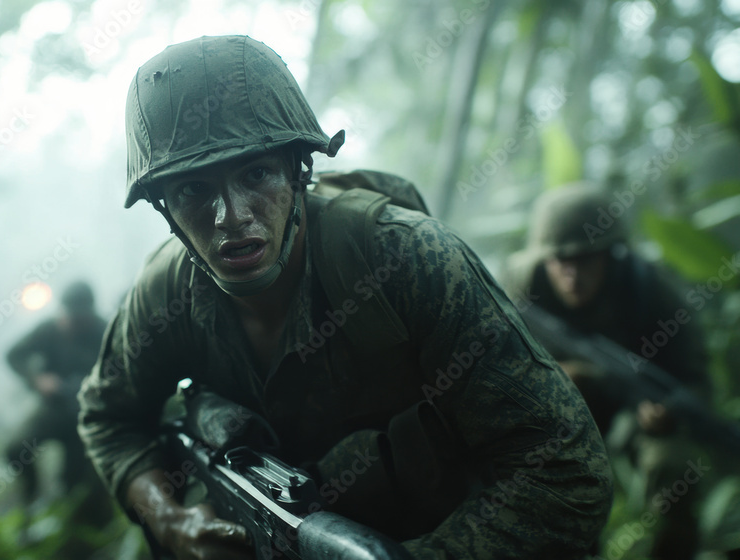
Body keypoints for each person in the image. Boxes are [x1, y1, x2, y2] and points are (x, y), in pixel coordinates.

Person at [78, 35, 613, 559]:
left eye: (256, 173)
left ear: (298, 170)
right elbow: (109, 418)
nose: (230, 216)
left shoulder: (409, 260)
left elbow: (563, 469)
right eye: (193, 189)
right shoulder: (164, 294)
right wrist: (169, 520)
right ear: (163, 207)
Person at [501, 184, 712, 559]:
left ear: (608, 254)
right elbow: (492, 367)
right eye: (559, 261)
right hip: (558, 413)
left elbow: (695, 378)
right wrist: (553, 378)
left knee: (674, 469)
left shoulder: (648, 289)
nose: (571, 275)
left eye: (584, 259)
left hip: (640, 411)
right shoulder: (521, 288)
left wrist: (669, 411)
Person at [5, 280, 111, 521]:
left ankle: (74, 528)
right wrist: (38, 379)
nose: (74, 323)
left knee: (77, 487)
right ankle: (30, 499)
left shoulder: (105, 332)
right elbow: (13, 355)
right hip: (53, 408)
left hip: (87, 417)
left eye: (80, 318)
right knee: (16, 449)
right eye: (70, 316)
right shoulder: (50, 330)